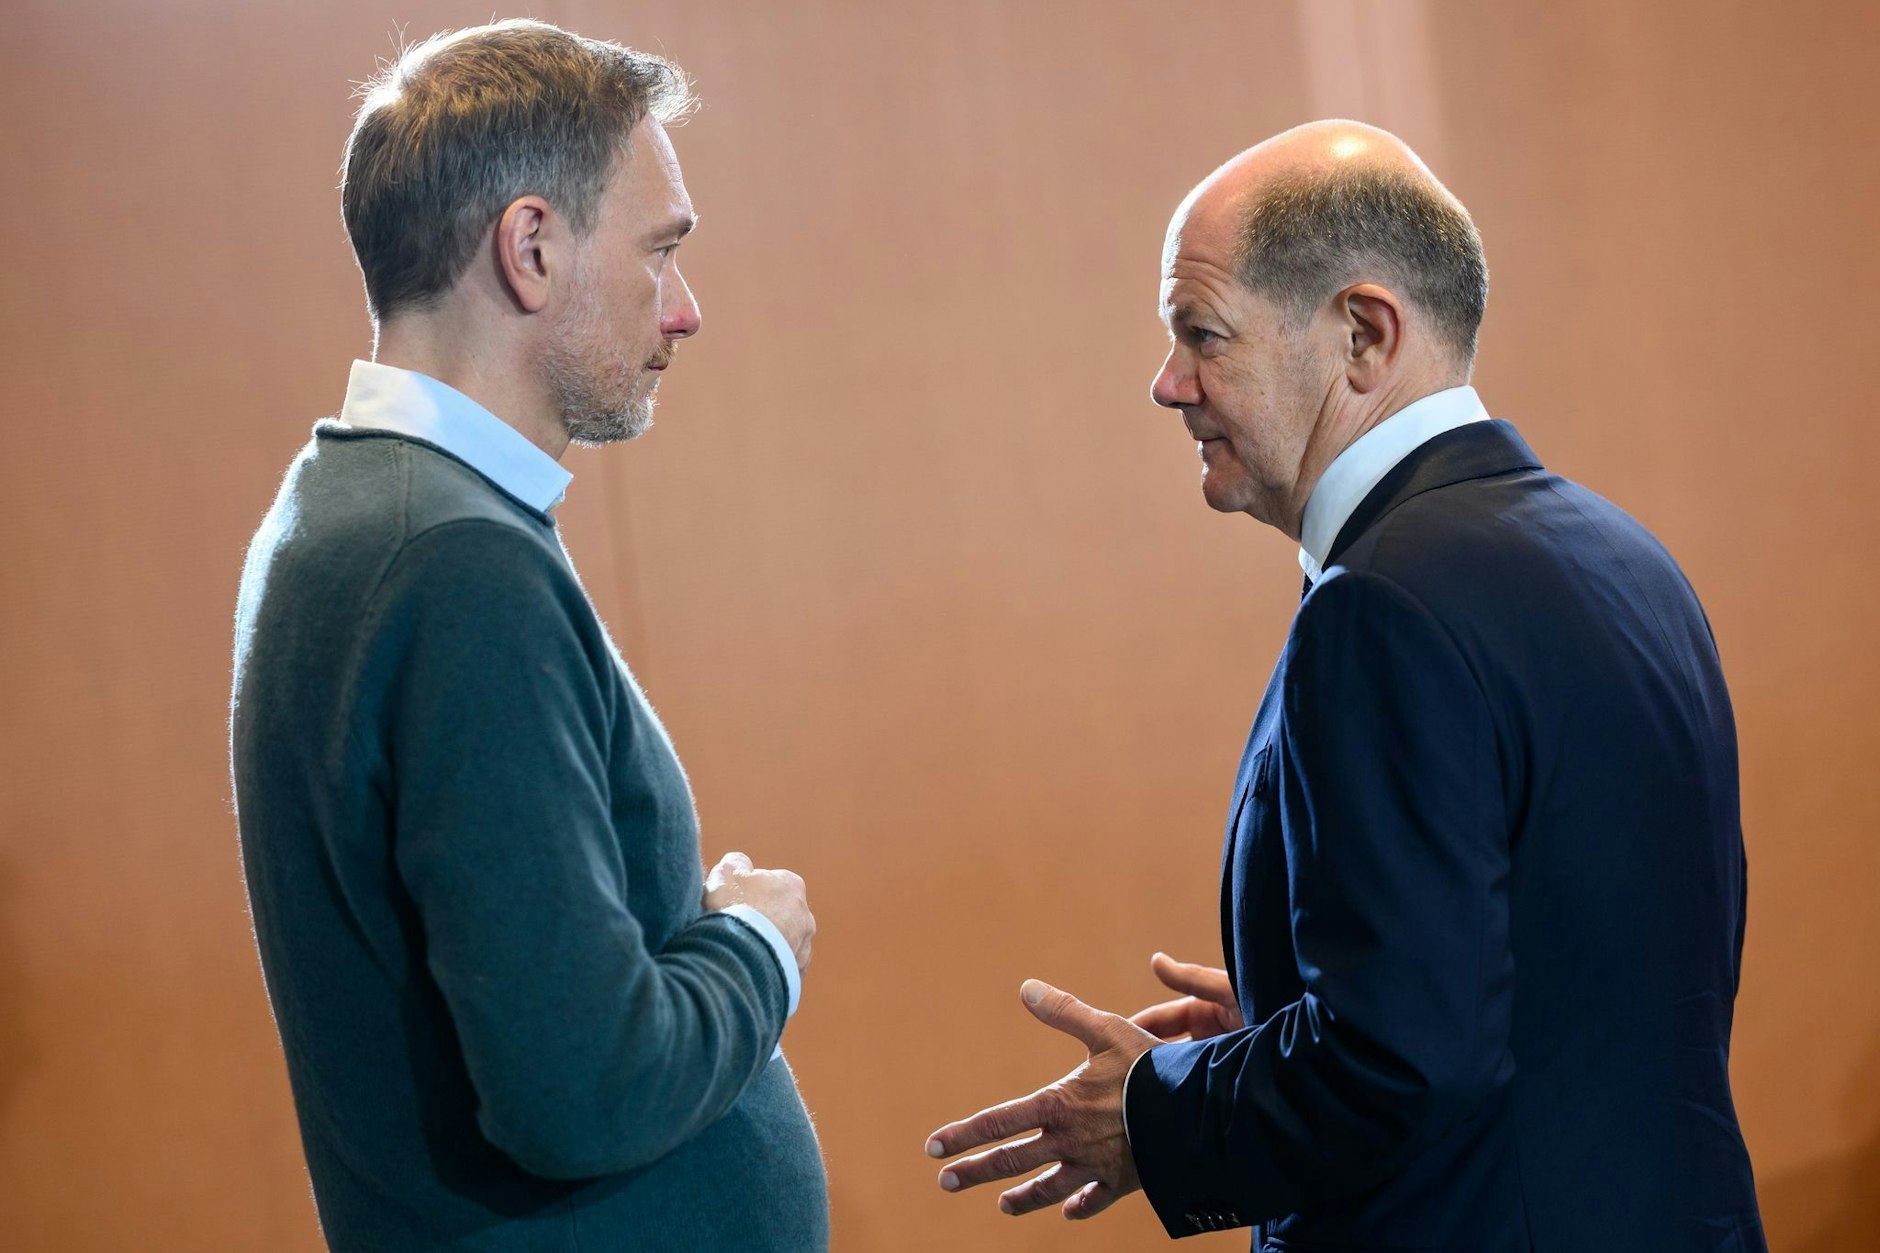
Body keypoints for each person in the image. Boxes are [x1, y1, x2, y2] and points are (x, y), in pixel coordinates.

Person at [927, 120, 1765, 1251]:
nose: (1166, 385)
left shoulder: (1380, 606)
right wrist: (1292, 1015)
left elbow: (1398, 1066)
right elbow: (1578, 967)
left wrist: (1152, 1116)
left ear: (1363, 334)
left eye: (1200, 333)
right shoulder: (1616, 549)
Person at [229, 21, 828, 1251]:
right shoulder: (454, 564)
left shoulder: (348, 505)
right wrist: (758, 942)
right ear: (533, 246)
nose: (686, 309)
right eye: (660, 253)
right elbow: (581, 1091)